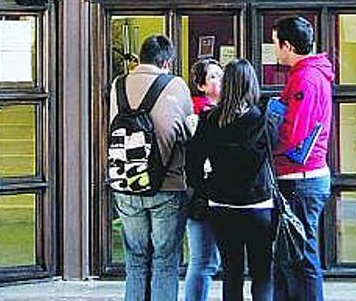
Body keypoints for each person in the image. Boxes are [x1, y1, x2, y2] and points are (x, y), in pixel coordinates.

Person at [110, 35, 194, 301]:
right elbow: (189, 130)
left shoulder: (118, 85)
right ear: (167, 61)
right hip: (167, 186)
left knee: (135, 260)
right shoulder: (176, 85)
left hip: (126, 183)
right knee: (165, 260)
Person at [187, 59, 279, 301]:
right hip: (258, 204)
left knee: (232, 272)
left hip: (222, 206)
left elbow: (193, 163)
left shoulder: (210, 120)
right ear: (252, 85)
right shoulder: (264, 119)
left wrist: (207, 188)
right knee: (262, 273)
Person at [270, 17, 334, 301]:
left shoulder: (305, 78)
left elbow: (294, 132)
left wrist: (264, 144)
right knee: (289, 257)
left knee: (299, 257)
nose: (274, 49)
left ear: (288, 45)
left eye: (275, 43)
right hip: (304, 178)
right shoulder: (312, 74)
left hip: (299, 180)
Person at [184, 58, 223, 301]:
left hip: (214, 194)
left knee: (208, 260)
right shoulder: (197, 116)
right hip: (204, 195)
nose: (220, 80)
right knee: (203, 261)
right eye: (213, 77)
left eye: (221, 75)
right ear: (200, 86)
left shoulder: (219, 113)